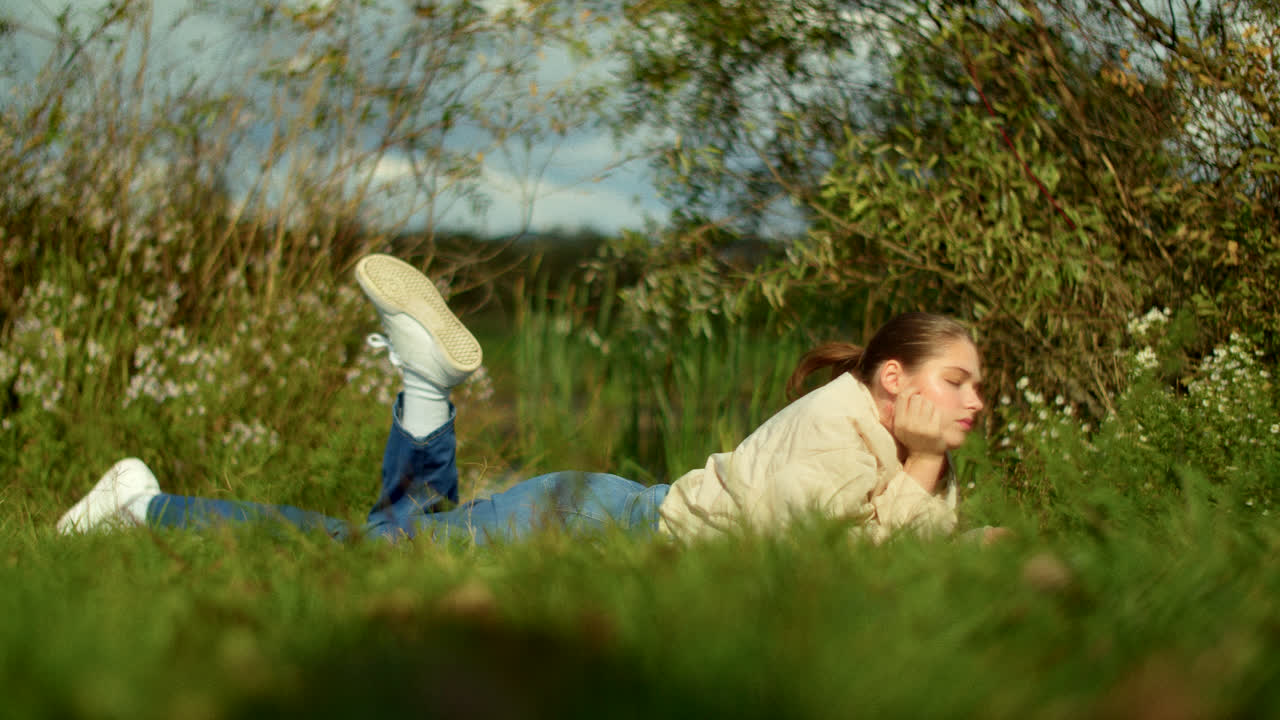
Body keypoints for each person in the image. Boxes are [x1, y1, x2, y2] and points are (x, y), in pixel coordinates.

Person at [57, 254, 986, 545]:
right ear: (891, 378)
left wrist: (940, 497)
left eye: (978, 384)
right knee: (361, 559)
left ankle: (423, 383)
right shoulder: (836, 423)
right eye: (957, 380)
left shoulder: (885, 443)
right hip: (594, 525)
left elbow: (896, 548)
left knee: (392, 547)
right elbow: (813, 556)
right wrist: (937, 487)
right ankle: (141, 506)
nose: (974, 400)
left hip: (601, 513)